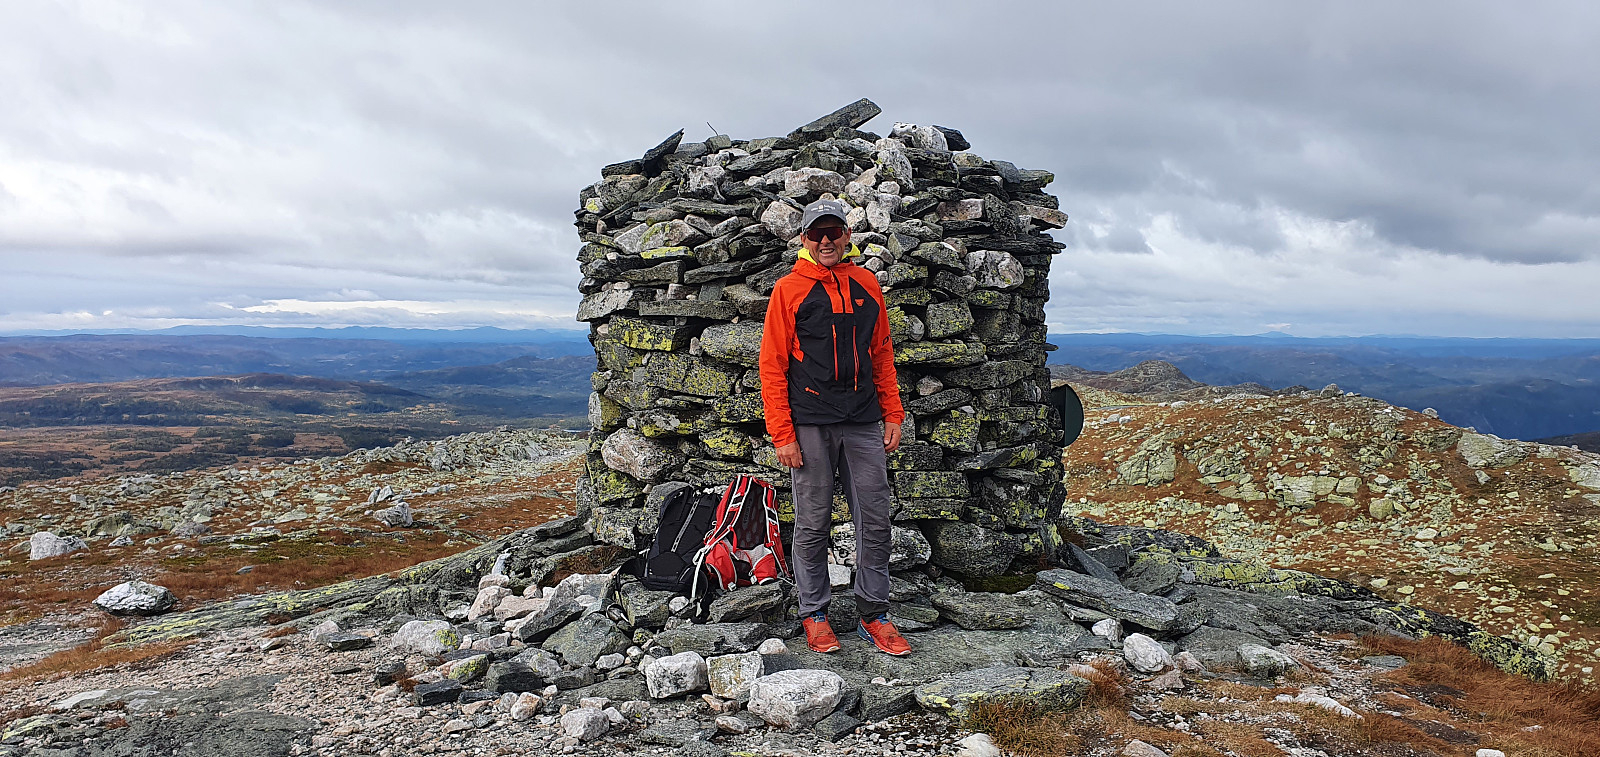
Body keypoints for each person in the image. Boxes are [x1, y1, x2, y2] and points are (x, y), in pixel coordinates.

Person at [758, 197, 911, 656]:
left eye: (833, 232)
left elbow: (881, 352)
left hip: (863, 418)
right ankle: (815, 613)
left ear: (847, 235)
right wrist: (782, 434)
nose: (826, 241)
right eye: (816, 234)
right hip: (810, 420)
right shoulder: (788, 289)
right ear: (804, 239)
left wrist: (893, 412)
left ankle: (874, 614)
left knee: (875, 518)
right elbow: (772, 364)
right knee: (812, 521)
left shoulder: (867, 283)